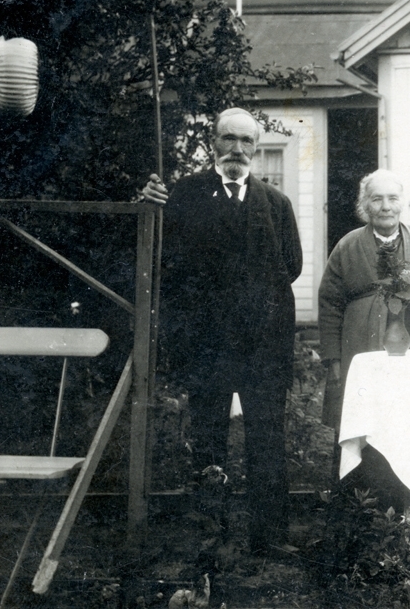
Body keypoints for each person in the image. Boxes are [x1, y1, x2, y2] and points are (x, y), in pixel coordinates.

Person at [141, 107, 302, 556]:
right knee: (209, 437)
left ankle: (269, 538)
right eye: (228, 138)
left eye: (246, 141)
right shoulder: (185, 195)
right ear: (213, 141)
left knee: (267, 439)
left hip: (262, 346)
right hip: (208, 344)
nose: (237, 149)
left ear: (257, 146)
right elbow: (163, 261)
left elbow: (291, 266)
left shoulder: (275, 203)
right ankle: (213, 533)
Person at [318, 169, 410, 431]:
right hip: (361, 347)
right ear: (365, 205)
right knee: (365, 419)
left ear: (402, 202)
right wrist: (335, 361)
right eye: (376, 199)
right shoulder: (347, 246)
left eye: (393, 198)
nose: (386, 207)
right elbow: (329, 305)